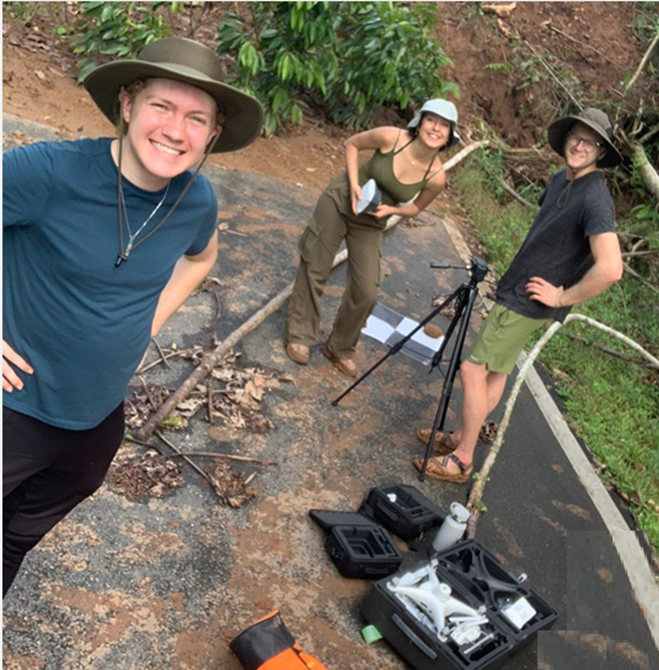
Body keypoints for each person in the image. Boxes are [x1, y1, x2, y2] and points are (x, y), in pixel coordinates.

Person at [2, 37, 263, 595]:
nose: (176, 130)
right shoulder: (49, 173)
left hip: (93, 424)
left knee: (12, 541)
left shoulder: (196, 201)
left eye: (197, 118)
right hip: (14, 406)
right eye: (162, 106)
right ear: (127, 104)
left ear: (213, 135)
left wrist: (148, 323)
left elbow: (202, 258)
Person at [414, 108, 623, 483]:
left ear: (602, 152)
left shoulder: (596, 199)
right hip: (519, 289)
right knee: (495, 372)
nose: (579, 145)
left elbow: (610, 267)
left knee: (471, 369)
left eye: (590, 142)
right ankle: (462, 436)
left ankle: (462, 459)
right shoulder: (563, 180)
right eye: (576, 136)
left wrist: (562, 298)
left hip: (528, 301)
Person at [285, 99, 460, 377]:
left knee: (367, 289)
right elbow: (352, 144)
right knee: (316, 264)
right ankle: (300, 334)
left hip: (371, 221)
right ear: (420, 122)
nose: (436, 128)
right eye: (431, 120)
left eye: (444, 125)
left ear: (450, 136)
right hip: (343, 198)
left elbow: (415, 207)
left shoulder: (436, 177)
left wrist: (391, 210)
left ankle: (339, 347)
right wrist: (354, 183)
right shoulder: (392, 137)